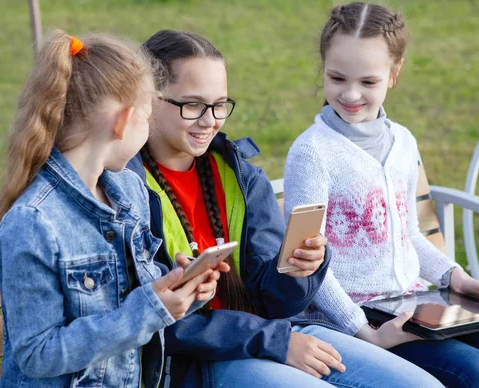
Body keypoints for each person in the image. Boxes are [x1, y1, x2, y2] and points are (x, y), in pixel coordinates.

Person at [127, 29, 444, 388]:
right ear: (150, 99)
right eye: (193, 105)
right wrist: (277, 342)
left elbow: (275, 301)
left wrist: (300, 270)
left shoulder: (241, 177)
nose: (210, 120)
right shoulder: (127, 189)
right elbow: (160, 321)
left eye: (220, 105)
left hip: (276, 334)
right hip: (198, 363)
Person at [283, 2, 479, 388]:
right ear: (324, 70)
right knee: (477, 374)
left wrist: (454, 276)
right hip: (359, 315)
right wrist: (362, 330)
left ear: (394, 74)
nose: (350, 94)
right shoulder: (312, 153)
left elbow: (408, 234)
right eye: (336, 78)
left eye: (368, 82)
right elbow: (305, 262)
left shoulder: (402, 141)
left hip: (418, 303)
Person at [0, 30, 220, 387]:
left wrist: (184, 289)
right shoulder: (34, 223)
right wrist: (150, 311)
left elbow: (137, 295)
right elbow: (37, 354)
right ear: (123, 122)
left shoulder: (128, 190)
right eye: (148, 119)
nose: (148, 130)